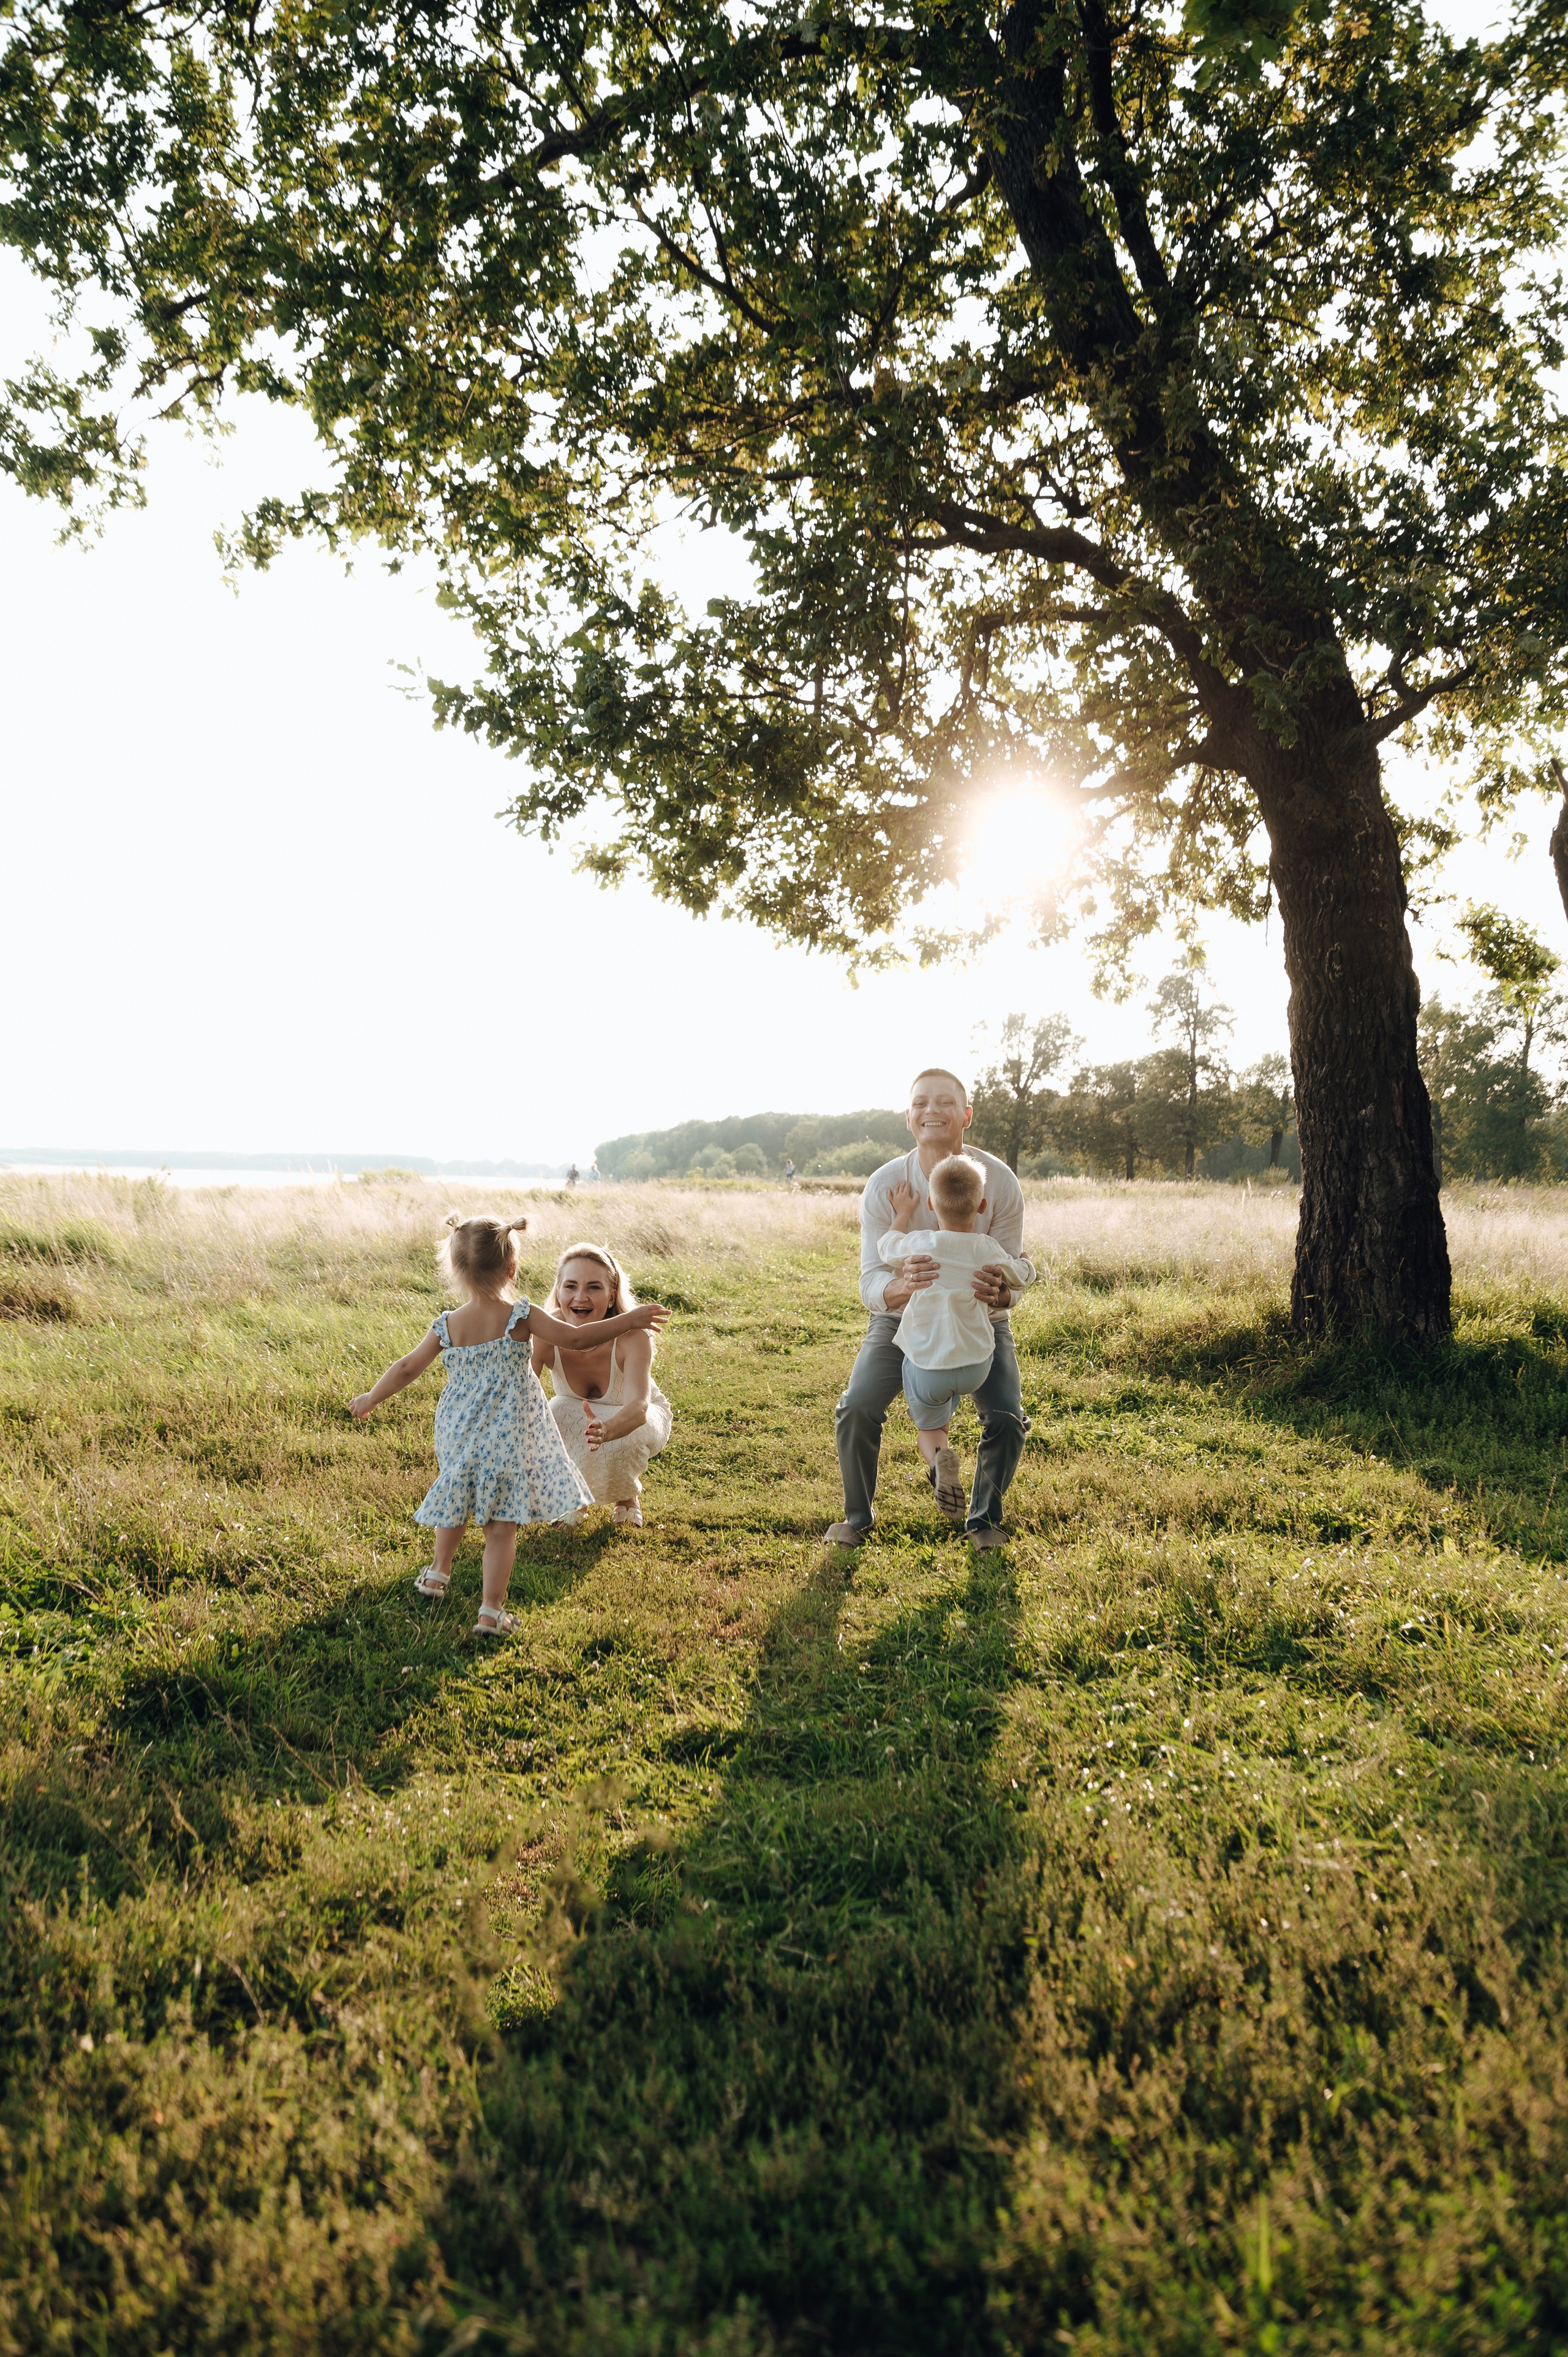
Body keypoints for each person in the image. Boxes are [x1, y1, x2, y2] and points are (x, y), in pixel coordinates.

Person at [350, 1213, 668, 1635]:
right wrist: (630, 1318)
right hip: (506, 1432)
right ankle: (491, 1612)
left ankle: (437, 1573)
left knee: (457, 1494)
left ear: (457, 1271)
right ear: (512, 1269)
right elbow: (576, 1338)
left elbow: (407, 1367)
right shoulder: (522, 1316)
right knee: (501, 1527)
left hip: (458, 1428)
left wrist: (371, 1397)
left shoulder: (447, 1324)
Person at [826, 1066, 1034, 1550]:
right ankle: (857, 1520)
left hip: (981, 1322)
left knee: (1007, 1418)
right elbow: (870, 1282)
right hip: (899, 1321)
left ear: (966, 1116)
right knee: (857, 1407)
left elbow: (1010, 1281)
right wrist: (903, 1287)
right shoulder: (886, 1184)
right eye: (921, 1103)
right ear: (908, 1118)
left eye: (945, 1102)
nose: (931, 1111)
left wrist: (1002, 1295)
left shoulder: (1000, 1183)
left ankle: (982, 1521)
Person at [878, 1156, 1032, 1519]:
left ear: (932, 1205)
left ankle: (940, 1460)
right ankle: (982, 1512)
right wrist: (1027, 1264)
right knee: (959, 1390)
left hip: (929, 1364)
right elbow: (1021, 1275)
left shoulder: (922, 1243)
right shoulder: (987, 1248)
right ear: (982, 1206)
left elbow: (886, 1246)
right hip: (977, 1365)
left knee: (932, 1427)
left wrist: (903, 1212)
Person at [533, 1241, 674, 1527]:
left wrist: (607, 1430)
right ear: (558, 1292)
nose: (580, 1297)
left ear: (611, 1296)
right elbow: (524, 1393)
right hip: (580, 1412)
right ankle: (576, 1499)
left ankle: (627, 1499)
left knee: (629, 1435)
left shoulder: (634, 1335)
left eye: (594, 1287)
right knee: (555, 1411)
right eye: (570, 1286)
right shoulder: (545, 1332)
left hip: (640, 1415)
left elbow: (639, 1407)